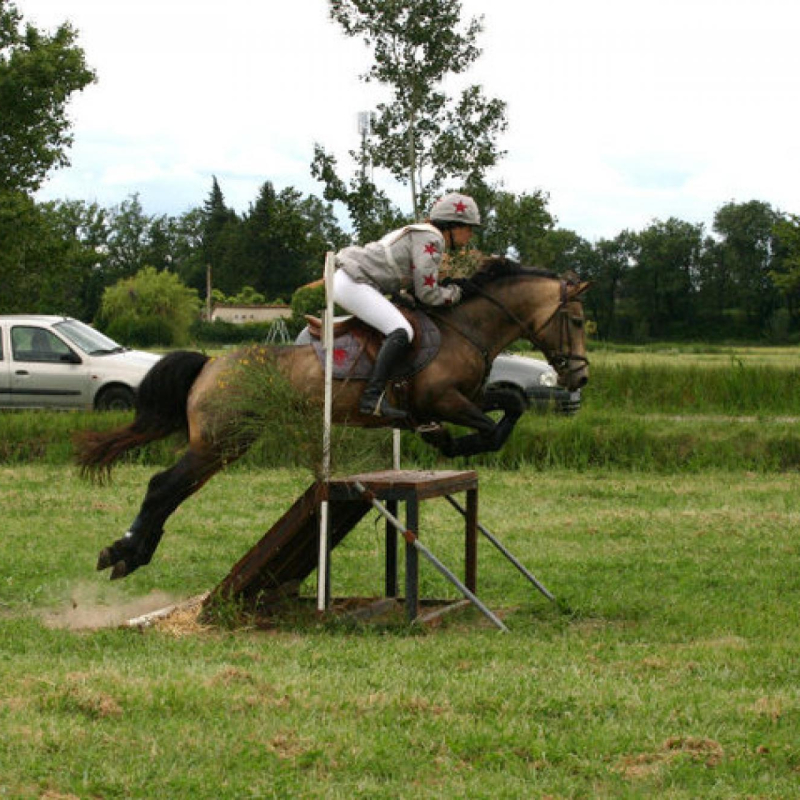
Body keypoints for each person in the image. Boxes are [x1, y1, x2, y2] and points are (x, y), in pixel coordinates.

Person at [333, 192, 481, 421]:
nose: (470, 235)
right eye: (469, 228)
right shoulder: (433, 239)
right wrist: (457, 293)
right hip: (353, 283)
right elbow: (428, 294)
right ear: (452, 226)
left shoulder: (421, 233)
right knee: (402, 330)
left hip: (354, 280)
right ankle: (371, 399)